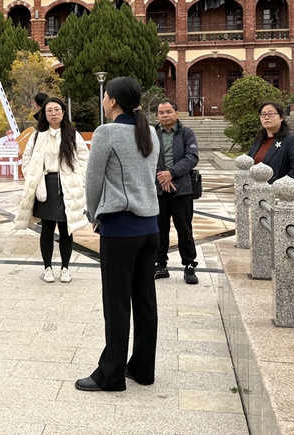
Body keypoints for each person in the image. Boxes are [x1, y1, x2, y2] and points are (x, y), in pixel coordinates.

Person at [77, 76, 159, 392]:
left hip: (121, 230)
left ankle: (110, 374)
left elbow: (93, 181)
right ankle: (142, 368)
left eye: (105, 95)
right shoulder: (148, 131)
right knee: (145, 301)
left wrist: (94, 215)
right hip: (149, 227)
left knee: (117, 304)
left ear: (111, 100)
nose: (103, 100)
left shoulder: (106, 132)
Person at [15, 97, 89, 283]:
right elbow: (27, 157)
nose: (53, 113)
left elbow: (84, 158)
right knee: (47, 228)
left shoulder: (72, 134)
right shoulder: (37, 135)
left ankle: (65, 268)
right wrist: (31, 175)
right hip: (45, 185)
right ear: (44, 114)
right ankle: (47, 267)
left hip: (67, 185)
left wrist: (80, 178)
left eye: (57, 109)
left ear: (63, 112)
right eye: (49, 110)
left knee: (66, 228)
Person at [153, 100, 201, 284]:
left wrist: (171, 173)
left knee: (184, 228)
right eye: (161, 112)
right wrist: (162, 177)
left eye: (168, 112)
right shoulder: (152, 134)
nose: (164, 115)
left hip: (182, 188)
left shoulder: (186, 133)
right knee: (159, 228)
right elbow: (147, 156)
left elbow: (192, 157)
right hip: (158, 188)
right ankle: (160, 264)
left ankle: (189, 265)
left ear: (176, 113)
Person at [247, 101, 294, 183]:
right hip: (255, 191)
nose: (266, 117)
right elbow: (248, 164)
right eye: (263, 114)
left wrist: (279, 185)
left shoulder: (291, 140)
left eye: (271, 114)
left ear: (281, 117)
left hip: (276, 192)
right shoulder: (258, 140)